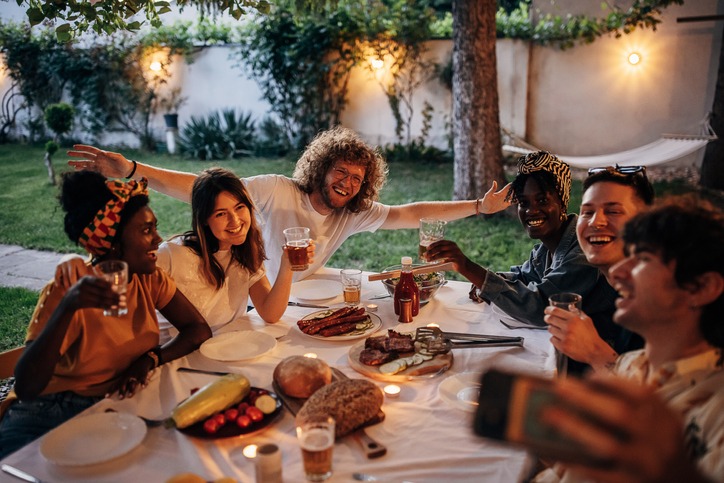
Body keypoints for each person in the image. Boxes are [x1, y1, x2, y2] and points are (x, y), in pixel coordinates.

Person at [66, 126, 511, 283]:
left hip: (303, 299)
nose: (347, 183)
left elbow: (411, 212)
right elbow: (203, 188)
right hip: (252, 296)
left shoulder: (352, 214)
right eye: (340, 171)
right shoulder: (278, 189)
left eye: (357, 179)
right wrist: (131, 170)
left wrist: (477, 206)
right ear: (321, 167)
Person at [0, 171, 211, 459]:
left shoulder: (148, 279)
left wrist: (151, 359)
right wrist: (67, 308)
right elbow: (26, 386)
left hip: (111, 405)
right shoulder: (70, 290)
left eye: (155, 228)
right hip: (47, 410)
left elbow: (197, 328)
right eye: (146, 230)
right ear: (112, 241)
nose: (157, 239)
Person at [532, 197, 724, 483]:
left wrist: (672, 470)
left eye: (643, 259)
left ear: (701, 287)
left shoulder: (715, 409)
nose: (618, 271)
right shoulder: (632, 366)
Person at [55, 168, 312, 341]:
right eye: (221, 214)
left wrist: (287, 266)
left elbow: (270, 313)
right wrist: (72, 260)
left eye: (240, 207)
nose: (236, 221)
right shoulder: (172, 255)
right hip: (180, 358)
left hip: (226, 351)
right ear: (204, 220)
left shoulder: (243, 252)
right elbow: (118, 267)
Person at [426, 151, 613, 332]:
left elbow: (540, 307)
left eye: (542, 200)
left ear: (562, 203)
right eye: (524, 203)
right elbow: (523, 277)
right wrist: (484, 282)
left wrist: (467, 267)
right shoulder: (545, 250)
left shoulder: (584, 250)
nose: (531, 211)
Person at [544, 166, 653, 373]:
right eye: (588, 212)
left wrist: (595, 352)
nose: (596, 222)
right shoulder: (597, 289)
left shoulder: (665, 305)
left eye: (613, 211)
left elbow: (667, 399)